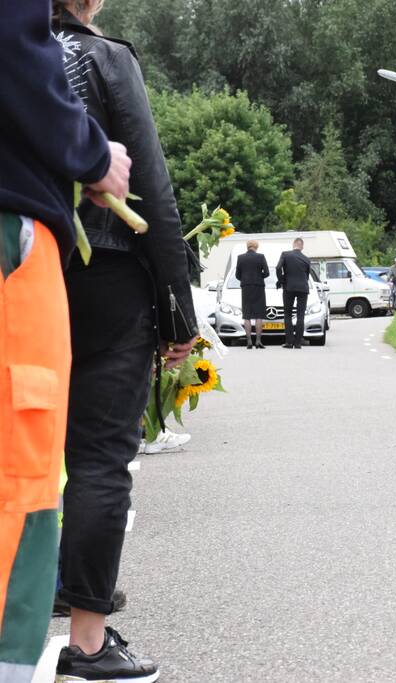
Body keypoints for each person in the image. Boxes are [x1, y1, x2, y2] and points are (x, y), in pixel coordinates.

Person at [51, 2, 199, 681]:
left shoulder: (18, 54)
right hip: (108, 275)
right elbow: (152, 188)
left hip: (26, 272)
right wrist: (177, 313)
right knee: (101, 457)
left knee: (29, 448)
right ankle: (86, 641)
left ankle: (46, 586)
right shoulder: (105, 57)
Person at [0, 4, 129, 680]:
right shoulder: (109, 57)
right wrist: (92, 155)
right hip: (12, 234)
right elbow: (12, 53)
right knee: (21, 475)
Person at [276, 237, 312, 349]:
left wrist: (282, 280)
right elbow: (307, 275)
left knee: (288, 314)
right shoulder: (307, 259)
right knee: (300, 315)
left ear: (293, 245)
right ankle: (298, 343)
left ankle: (289, 342)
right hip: (303, 289)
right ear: (302, 246)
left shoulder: (285, 255)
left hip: (289, 287)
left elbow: (278, 268)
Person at [235, 239, 270, 348]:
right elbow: (267, 273)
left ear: (247, 246)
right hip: (259, 287)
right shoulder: (261, 257)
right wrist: (259, 277)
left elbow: (237, 275)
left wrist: (245, 279)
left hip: (246, 287)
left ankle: (249, 341)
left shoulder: (240, 258)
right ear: (256, 247)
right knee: (259, 315)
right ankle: (258, 341)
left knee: (247, 315)